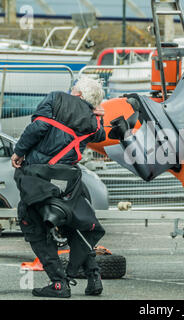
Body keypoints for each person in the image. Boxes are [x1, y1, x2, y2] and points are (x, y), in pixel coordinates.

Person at [12, 76, 106, 298]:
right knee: (73, 222)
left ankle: (58, 283)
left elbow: (38, 127)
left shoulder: (56, 98)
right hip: (68, 179)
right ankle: (93, 277)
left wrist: (19, 151)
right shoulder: (94, 120)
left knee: (32, 223)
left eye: (74, 88)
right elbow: (100, 135)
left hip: (40, 175)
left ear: (79, 93)